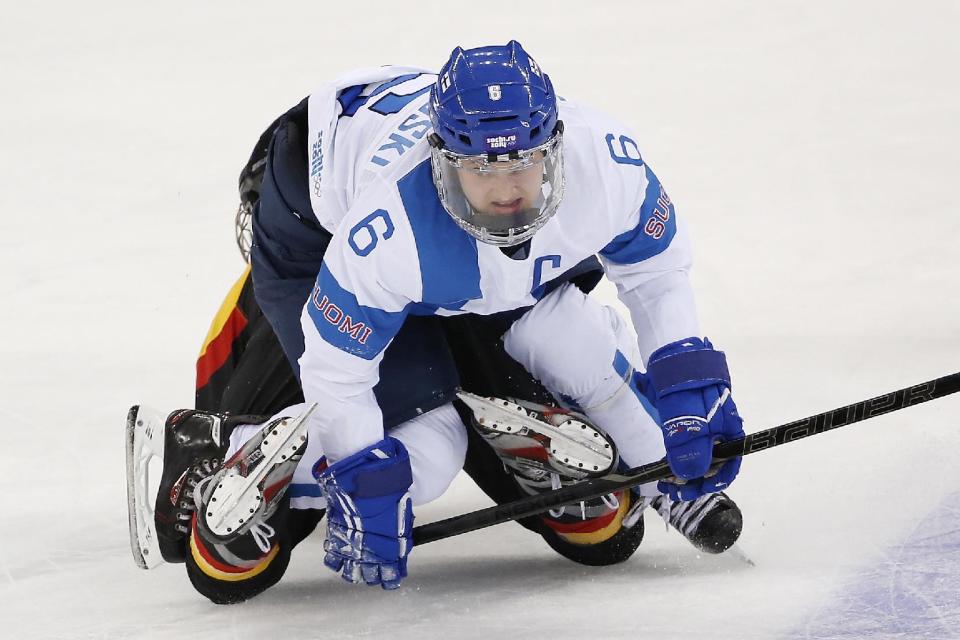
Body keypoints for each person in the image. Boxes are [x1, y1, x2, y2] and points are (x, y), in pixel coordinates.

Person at [126, 41, 745, 604]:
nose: (506, 191)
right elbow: (338, 373)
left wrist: (687, 390)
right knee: (430, 441)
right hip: (314, 226)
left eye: (522, 164)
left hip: (423, 248)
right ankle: (225, 445)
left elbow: (657, 278)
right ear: (441, 162)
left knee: (549, 341)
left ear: (557, 147)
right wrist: (362, 475)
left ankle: (657, 475)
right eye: (482, 170)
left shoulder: (605, 167)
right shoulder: (386, 231)